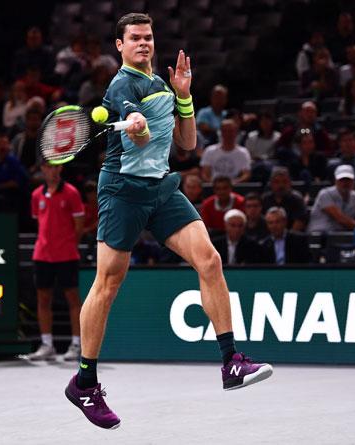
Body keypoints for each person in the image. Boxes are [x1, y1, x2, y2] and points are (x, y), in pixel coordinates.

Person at [64, 13, 272, 430]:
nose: (143, 43)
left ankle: (231, 361)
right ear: (119, 46)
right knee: (107, 283)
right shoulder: (121, 86)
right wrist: (137, 128)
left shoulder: (160, 84)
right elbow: (136, 138)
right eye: (135, 38)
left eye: (148, 37)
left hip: (160, 188)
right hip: (123, 191)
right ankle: (84, 382)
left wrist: (183, 95)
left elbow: (189, 142)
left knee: (209, 261)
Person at [26, 161, 85, 362]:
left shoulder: (71, 193)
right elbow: (40, 223)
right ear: (42, 169)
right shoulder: (36, 195)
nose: (51, 170)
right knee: (43, 300)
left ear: (60, 168)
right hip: (42, 255)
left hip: (67, 256)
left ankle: (76, 344)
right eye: (47, 167)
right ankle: (47, 344)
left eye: (55, 167)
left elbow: (79, 226)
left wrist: (68, 245)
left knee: (73, 300)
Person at [307, 165, 355, 233]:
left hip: (340, 236)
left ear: (353, 181)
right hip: (319, 234)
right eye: (342, 180)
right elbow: (341, 219)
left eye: (348, 180)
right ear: (335, 181)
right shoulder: (325, 194)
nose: (345, 183)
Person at [200, 119, 251, 183]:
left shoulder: (243, 152)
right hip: (213, 187)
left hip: (235, 187)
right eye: (224, 131)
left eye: (230, 131)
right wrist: (216, 185)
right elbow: (205, 174)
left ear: (236, 132)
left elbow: (246, 174)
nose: (227, 134)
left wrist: (231, 184)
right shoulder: (210, 151)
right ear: (221, 132)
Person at [261, 167, 307, 231]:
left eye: (284, 182)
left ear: (290, 183)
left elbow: (300, 222)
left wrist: (286, 238)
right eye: (277, 182)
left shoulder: (296, 199)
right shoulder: (265, 199)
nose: (281, 185)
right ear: (271, 184)